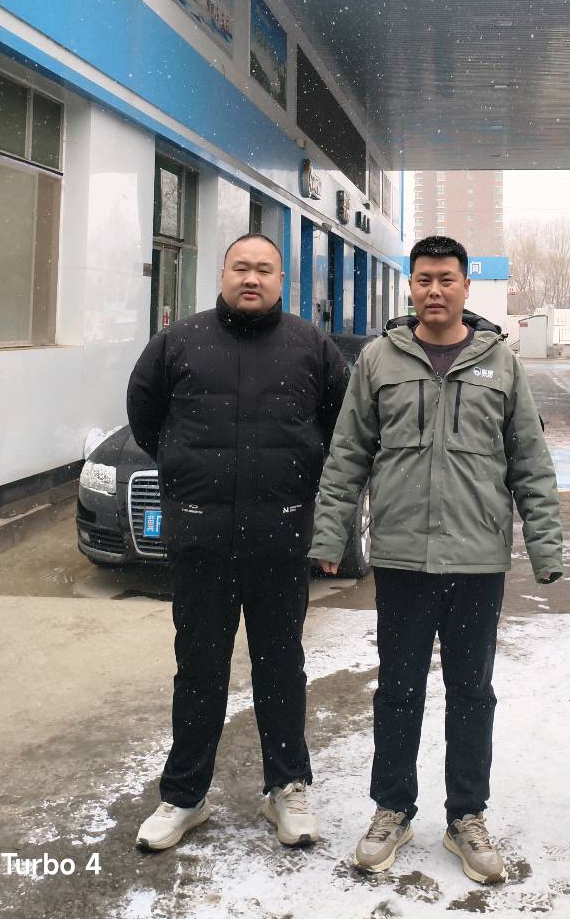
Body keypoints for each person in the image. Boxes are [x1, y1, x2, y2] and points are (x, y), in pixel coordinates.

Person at [310, 235, 564, 885]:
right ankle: (392, 809)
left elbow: (530, 461)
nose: (434, 290)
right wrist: (329, 537)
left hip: (478, 560)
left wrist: (545, 547)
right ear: (411, 286)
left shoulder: (500, 363)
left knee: (471, 693)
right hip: (402, 558)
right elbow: (347, 454)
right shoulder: (379, 360)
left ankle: (466, 818)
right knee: (397, 690)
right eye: (423, 279)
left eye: (446, 279)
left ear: (465, 287)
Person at [127, 233, 350, 853]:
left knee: (281, 666)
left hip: (280, 538)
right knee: (199, 668)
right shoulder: (178, 341)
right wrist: (185, 469)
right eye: (241, 268)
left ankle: (287, 788)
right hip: (201, 539)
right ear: (222, 273)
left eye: (264, 270)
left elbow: (341, 425)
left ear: (281, 279)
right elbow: (145, 416)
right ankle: (184, 796)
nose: (252, 279)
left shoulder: (311, 346)